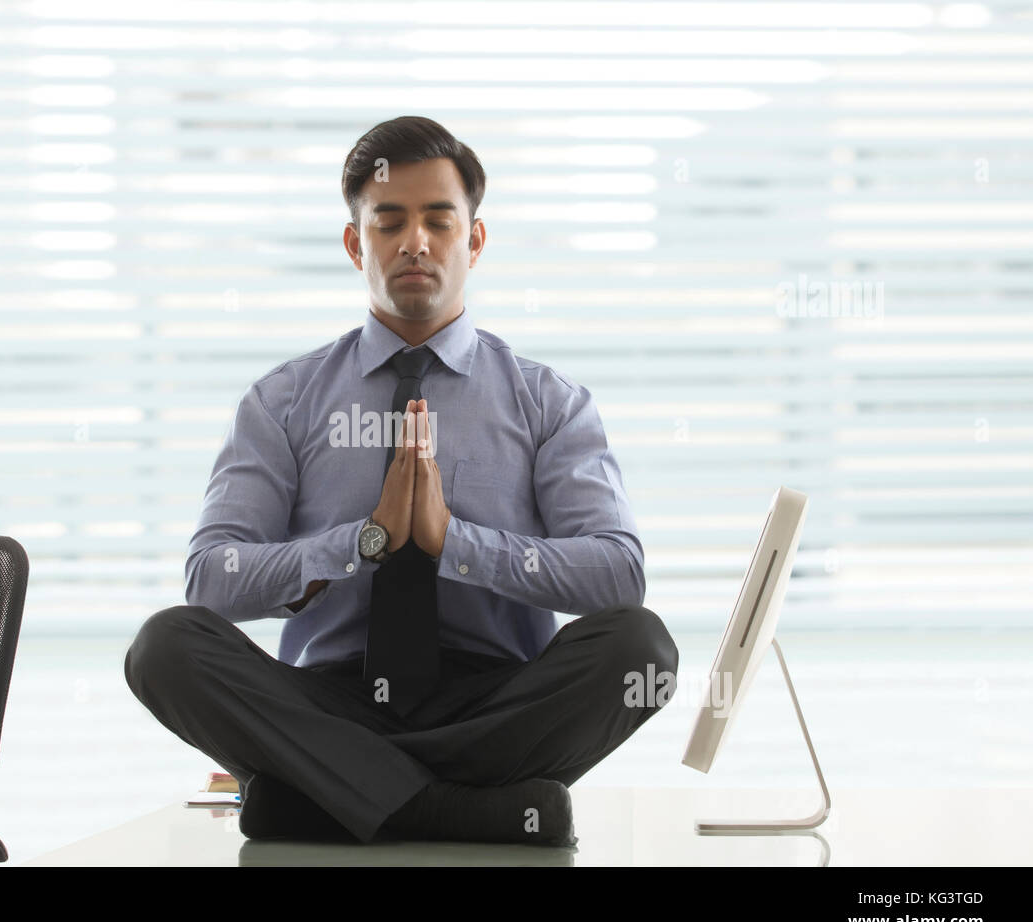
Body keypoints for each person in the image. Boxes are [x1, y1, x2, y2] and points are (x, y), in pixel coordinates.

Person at [125, 116, 678, 848]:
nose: (414, 241)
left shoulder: (549, 403)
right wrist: (360, 542)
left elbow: (618, 575)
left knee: (641, 649)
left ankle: (332, 796)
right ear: (358, 244)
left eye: (438, 221)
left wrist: (455, 543)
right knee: (164, 647)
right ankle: (457, 807)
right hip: (330, 702)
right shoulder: (283, 402)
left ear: (473, 241)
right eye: (389, 222)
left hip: (496, 704)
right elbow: (212, 579)